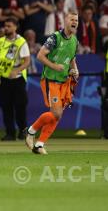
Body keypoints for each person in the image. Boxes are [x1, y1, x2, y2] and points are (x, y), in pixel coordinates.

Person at [24, 13, 79, 154]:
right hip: (51, 79)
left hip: (64, 82)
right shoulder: (54, 38)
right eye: (72, 19)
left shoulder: (74, 41)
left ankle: (39, 144)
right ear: (65, 21)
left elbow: (72, 58)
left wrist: (75, 69)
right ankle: (31, 131)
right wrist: (55, 66)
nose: (75, 22)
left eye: (76, 20)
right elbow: (40, 55)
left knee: (57, 115)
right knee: (56, 113)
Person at [0, 17, 31, 141]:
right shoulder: (0, 41)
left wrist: (17, 70)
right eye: (5, 26)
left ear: (15, 27)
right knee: (6, 107)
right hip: (4, 79)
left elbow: (27, 61)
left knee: (20, 107)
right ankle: (10, 133)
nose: (5, 28)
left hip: (17, 79)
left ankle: (23, 131)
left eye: (9, 26)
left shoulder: (21, 42)